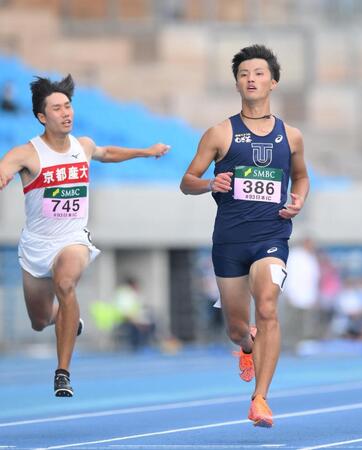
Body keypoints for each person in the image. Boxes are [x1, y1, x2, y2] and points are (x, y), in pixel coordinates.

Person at [0, 74, 169, 397]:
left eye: (68, 106)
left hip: (73, 238)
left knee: (65, 283)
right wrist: (4, 175)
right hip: (36, 245)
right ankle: (67, 319)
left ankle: (62, 372)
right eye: (57, 108)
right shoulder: (28, 153)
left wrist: (146, 152)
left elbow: (109, 152)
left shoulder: (84, 146)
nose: (66, 113)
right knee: (38, 319)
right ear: (41, 116)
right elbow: (6, 165)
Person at [180, 44, 309, 427]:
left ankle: (261, 400)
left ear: (273, 81)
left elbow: (300, 176)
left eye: (258, 73)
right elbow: (186, 182)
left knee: (267, 305)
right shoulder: (220, 133)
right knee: (238, 327)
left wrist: (298, 198)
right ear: (237, 83)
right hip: (230, 242)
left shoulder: (293, 136)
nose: (251, 79)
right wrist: (209, 183)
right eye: (243, 74)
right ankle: (247, 344)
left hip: (272, 236)